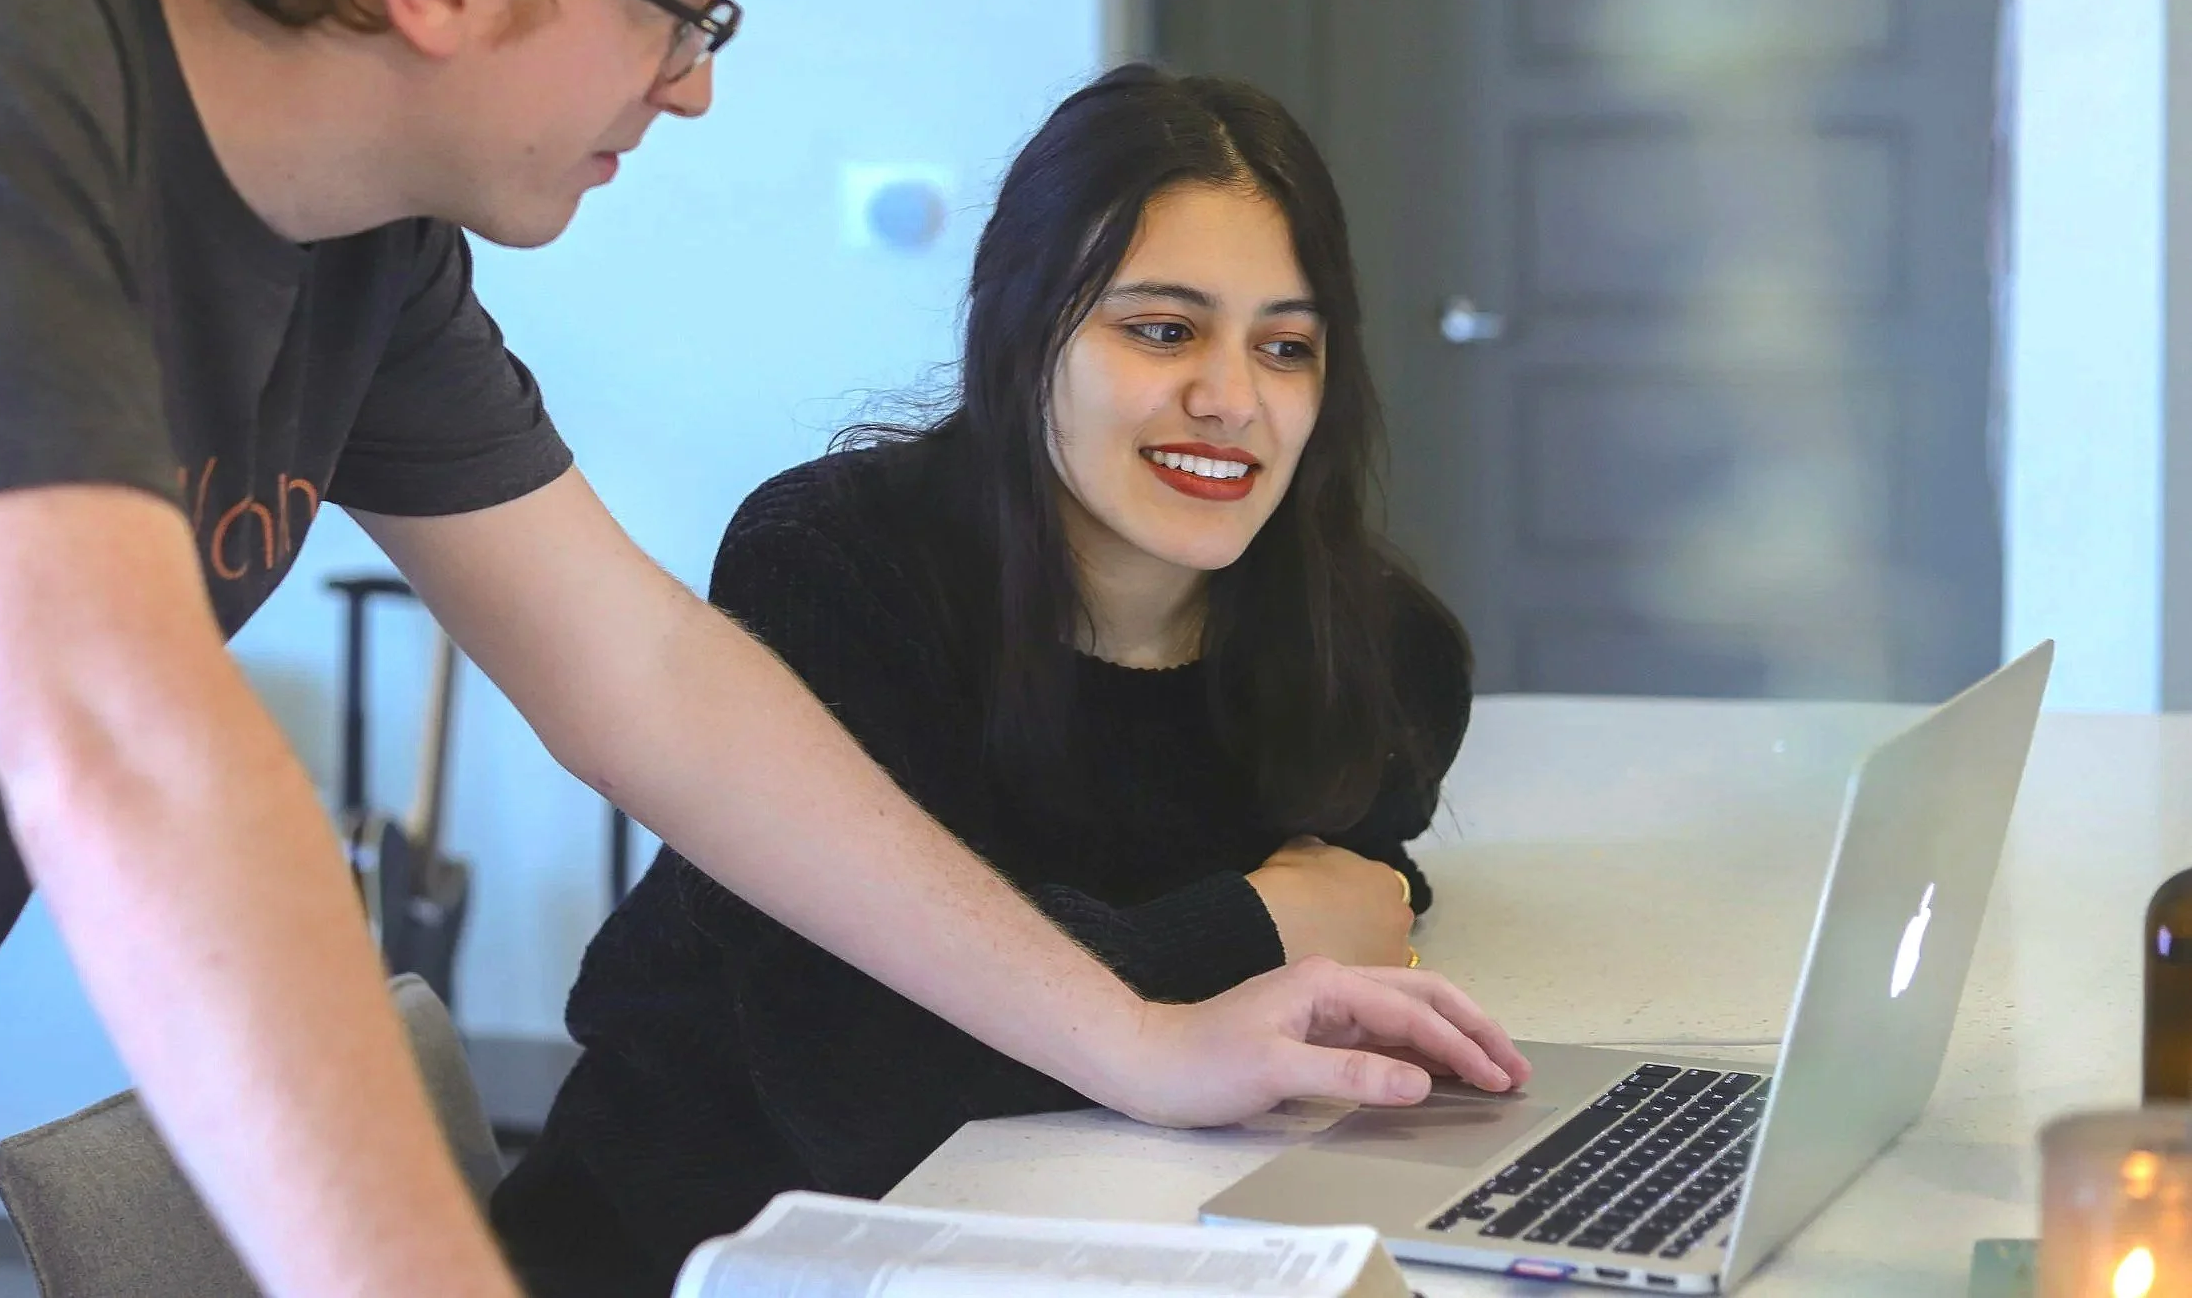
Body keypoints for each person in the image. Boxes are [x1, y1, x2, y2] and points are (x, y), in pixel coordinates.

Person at [0, 0, 1524, 1298]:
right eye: (677, 3)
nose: (695, 78)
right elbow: (128, 740)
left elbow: (645, 673)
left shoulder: (362, 249)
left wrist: (1134, 1029)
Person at [494, 66, 1498, 1294]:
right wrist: (1253, 923)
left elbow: (1363, 902)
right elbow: (866, 1086)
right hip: (701, 1244)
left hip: (1090, 1240)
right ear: (1023, 332)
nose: (1232, 399)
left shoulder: (1381, 648)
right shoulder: (831, 567)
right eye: (1164, 329)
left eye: (1285, 346)